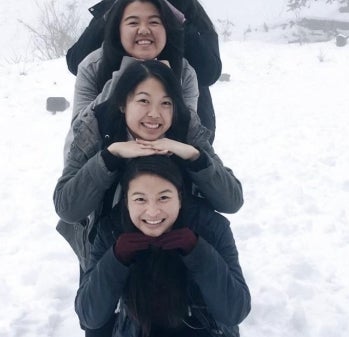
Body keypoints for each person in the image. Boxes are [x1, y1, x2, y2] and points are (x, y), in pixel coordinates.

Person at [54, 60, 242, 272]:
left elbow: (232, 200)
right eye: (144, 101)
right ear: (123, 104)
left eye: (166, 103)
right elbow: (67, 208)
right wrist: (109, 157)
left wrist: (194, 156)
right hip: (107, 253)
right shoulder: (97, 126)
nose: (155, 113)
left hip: (179, 251)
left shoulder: (186, 128)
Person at [75, 155, 251, 337]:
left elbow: (234, 311)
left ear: (180, 198)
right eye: (140, 199)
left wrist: (198, 251)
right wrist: (116, 259)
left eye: (164, 197)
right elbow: (90, 315)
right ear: (127, 201)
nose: (152, 211)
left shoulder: (211, 227)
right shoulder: (111, 230)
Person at [63, 0, 204, 164]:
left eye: (154, 22)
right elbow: (79, 133)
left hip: (165, 173)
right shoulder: (93, 66)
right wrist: (126, 73)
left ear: (166, 28)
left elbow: (188, 133)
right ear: (118, 29)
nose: (144, 30)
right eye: (133, 22)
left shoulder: (184, 73)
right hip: (103, 169)